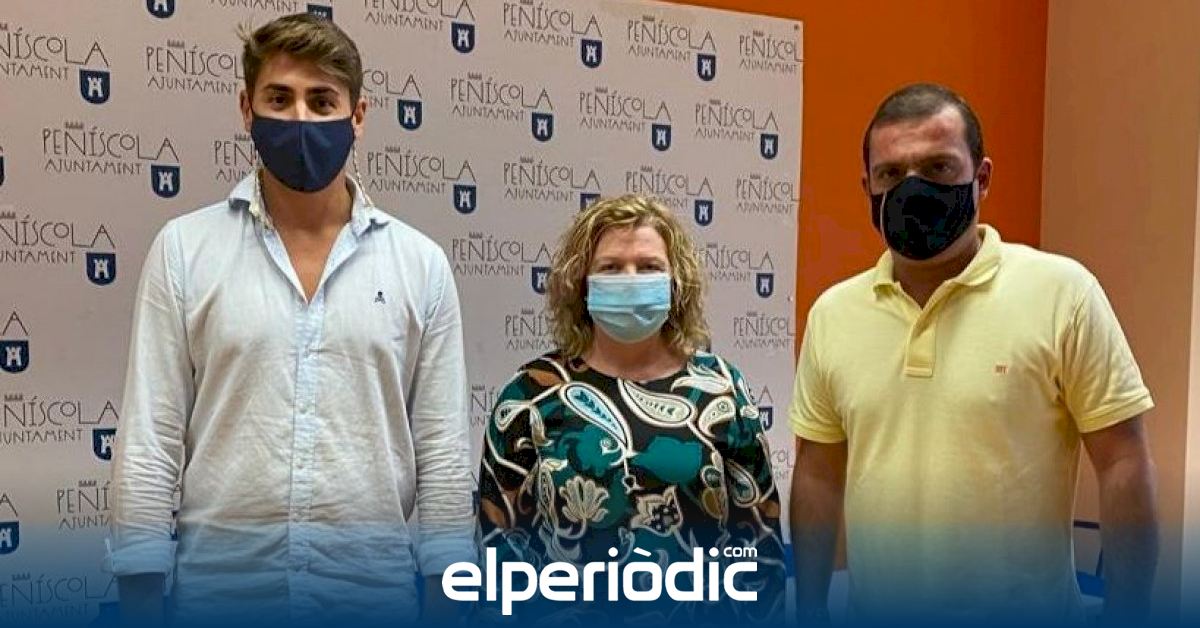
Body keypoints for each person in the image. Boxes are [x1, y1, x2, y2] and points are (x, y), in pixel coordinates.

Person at [106, 13, 474, 625]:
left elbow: (441, 455)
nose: (301, 119)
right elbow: (150, 441)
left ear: (358, 116)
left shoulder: (421, 265)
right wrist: (140, 605)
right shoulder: (184, 250)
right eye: (280, 99)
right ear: (246, 109)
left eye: (322, 101)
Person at [788, 83, 1159, 625]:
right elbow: (818, 474)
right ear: (868, 186)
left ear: (981, 177)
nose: (913, 187)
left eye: (937, 168)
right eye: (891, 173)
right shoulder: (833, 314)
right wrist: (811, 607)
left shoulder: (1064, 293)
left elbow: (1123, 461)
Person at [476, 195, 785, 623]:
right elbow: (499, 548)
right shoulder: (531, 395)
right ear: (581, 283)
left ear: (676, 283)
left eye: (649, 266)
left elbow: (759, 541)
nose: (630, 279)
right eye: (610, 267)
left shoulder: (720, 389)